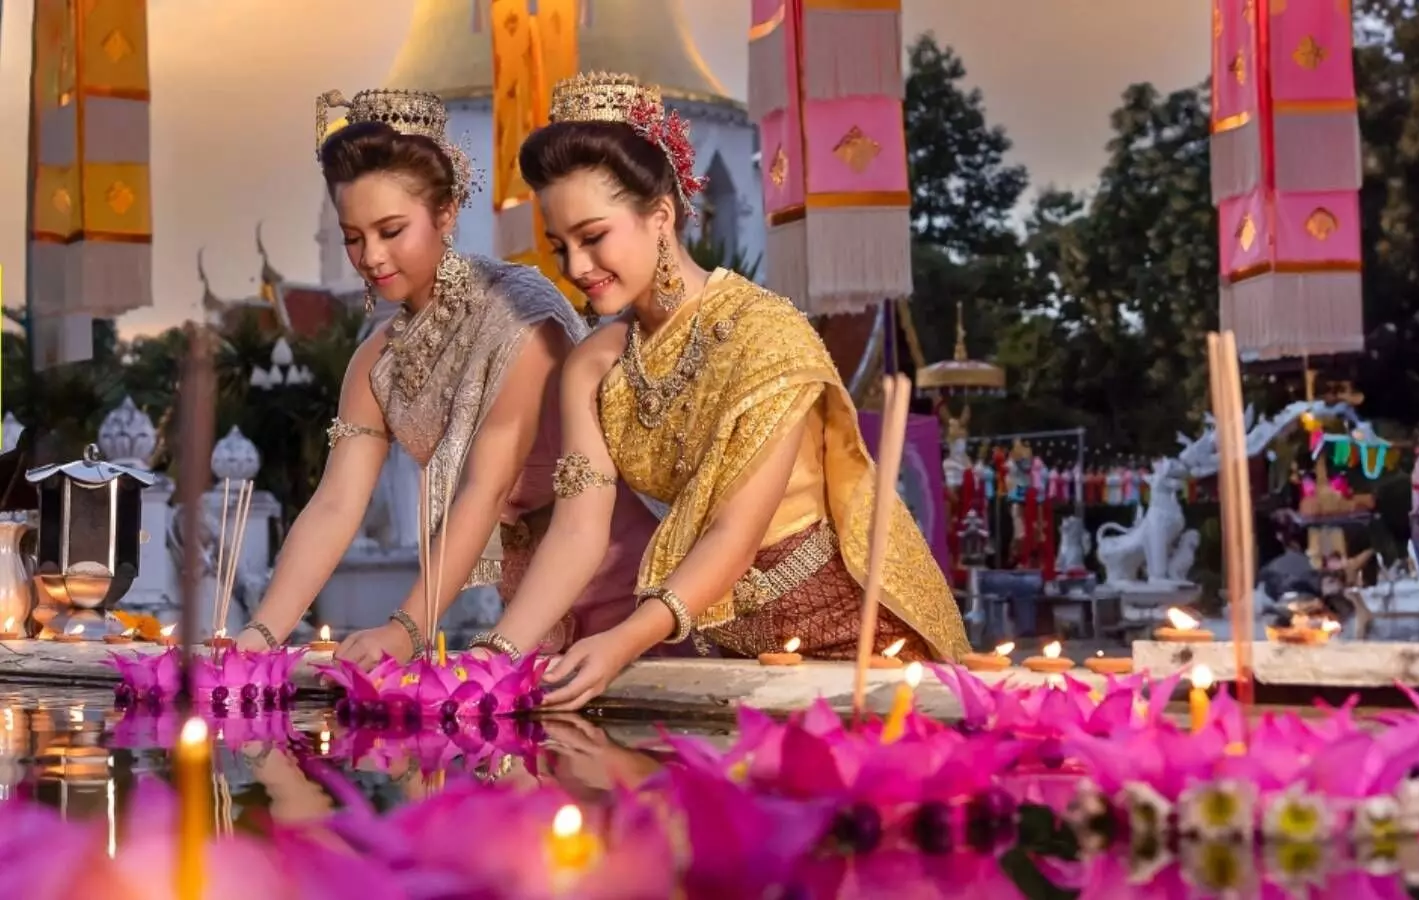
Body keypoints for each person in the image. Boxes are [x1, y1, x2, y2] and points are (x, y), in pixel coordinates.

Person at [465, 73, 971, 710]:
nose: (575, 268)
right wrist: (497, 653)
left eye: (593, 237)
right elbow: (577, 532)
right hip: (737, 652)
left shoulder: (765, 332)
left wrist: (622, 642)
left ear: (660, 216)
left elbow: (735, 529)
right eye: (560, 246)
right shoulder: (592, 366)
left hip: (856, 644)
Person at [235, 88, 659, 663]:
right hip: (526, 602)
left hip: (624, 580)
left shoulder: (521, 313)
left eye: (390, 230)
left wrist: (406, 631)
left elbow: (485, 489)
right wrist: (258, 637)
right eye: (353, 238)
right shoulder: (373, 363)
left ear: (446, 212)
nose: (372, 257)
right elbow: (335, 506)